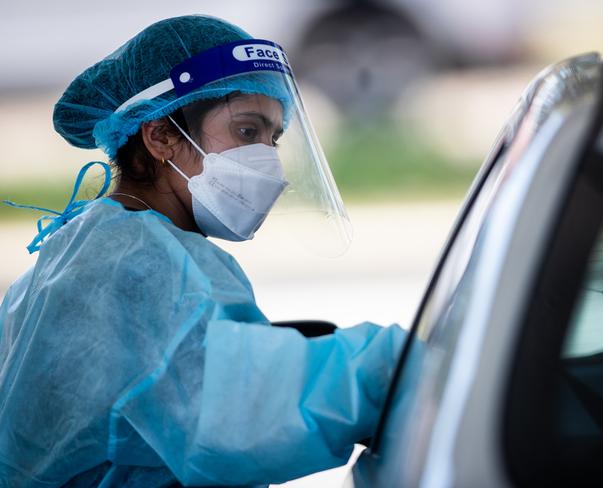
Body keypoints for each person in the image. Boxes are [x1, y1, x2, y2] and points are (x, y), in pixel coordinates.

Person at [0, 15, 405, 487]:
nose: (268, 161)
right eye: (248, 132)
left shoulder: (85, 247)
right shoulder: (137, 266)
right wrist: (392, 364)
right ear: (161, 137)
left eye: (273, 138)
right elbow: (241, 409)